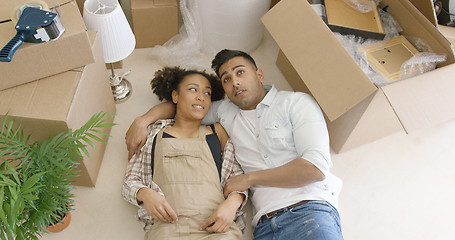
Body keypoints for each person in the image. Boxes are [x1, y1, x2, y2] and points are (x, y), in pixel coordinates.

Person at [126, 50, 344, 239]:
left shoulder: (296, 103)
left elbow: (315, 169)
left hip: (308, 210)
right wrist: (142, 120)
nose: (234, 82)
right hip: (264, 226)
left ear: (259, 74)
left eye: (240, 72)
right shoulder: (225, 111)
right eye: (226, 79)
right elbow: (183, 108)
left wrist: (247, 180)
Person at [122, 66, 247, 239]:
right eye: (193, 89)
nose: (200, 97)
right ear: (175, 96)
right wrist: (144, 194)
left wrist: (233, 203)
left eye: (207, 93)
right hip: (167, 229)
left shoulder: (218, 132)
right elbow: (130, 181)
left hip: (215, 227)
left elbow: (239, 178)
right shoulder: (153, 133)